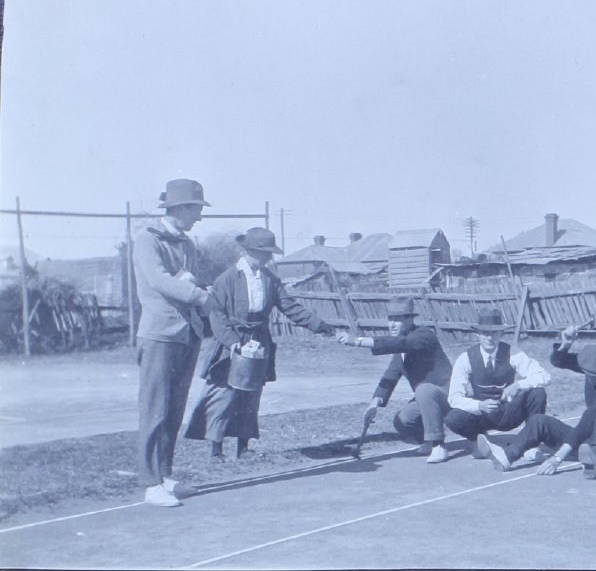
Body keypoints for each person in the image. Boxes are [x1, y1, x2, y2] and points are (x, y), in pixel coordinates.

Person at [185, 228, 335, 461]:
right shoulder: (227, 279)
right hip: (231, 342)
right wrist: (233, 342)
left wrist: (319, 325)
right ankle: (216, 449)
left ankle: (243, 448)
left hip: (258, 342)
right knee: (223, 394)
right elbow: (217, 314)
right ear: (249, 251)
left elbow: (290, 307)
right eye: (264, 253)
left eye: (269, 254)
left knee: (250, 395)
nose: (268, 258)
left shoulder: (270, 280)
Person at [133, 178, 213, 507]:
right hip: (159, 334)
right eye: (195, 209)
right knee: (154, 409)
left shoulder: (188, 244)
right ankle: (150, 483)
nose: (198, 216)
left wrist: (193, 286)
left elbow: (185, 279)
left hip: (186, 333)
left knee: (174, 410)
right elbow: (159, 280)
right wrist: (198, 294)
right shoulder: (147, 239)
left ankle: (165, 475)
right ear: (178, 208)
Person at [478, 328, 596, 480]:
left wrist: (557, 458)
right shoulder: (592, 365)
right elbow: (558, 361)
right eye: (589, 375)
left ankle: (591, 460)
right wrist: (566, 344)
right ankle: (507, 456)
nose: (592, 379)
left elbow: (588, 419)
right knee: (540, 420)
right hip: (589, 442)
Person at [337, 296, 453, 463]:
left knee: (424, 389)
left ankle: (438, 446)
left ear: (409, 319)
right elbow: (389, 378)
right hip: (426, 399)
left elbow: (402, 343)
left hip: (448, 395)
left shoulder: (424, 336)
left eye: (397, 320)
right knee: (403, 420)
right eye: (390, 319)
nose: (391, 324)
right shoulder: (400, 352)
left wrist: (356, 341)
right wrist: (374, 403)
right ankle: (427, 441)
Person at [445, 308, 550, 461]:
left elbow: (544, 376)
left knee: (538, 392)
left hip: (508, 411)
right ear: (478, 335)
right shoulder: (465, 358)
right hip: (482, 415)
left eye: (494, 333)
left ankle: (531, 445)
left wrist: (519, 385)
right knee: (452, 417)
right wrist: (479, 405)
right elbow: (454, 397)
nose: (489, 338)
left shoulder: (512, 352)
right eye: (485, 333)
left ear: (501, 334)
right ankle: (479, 441)